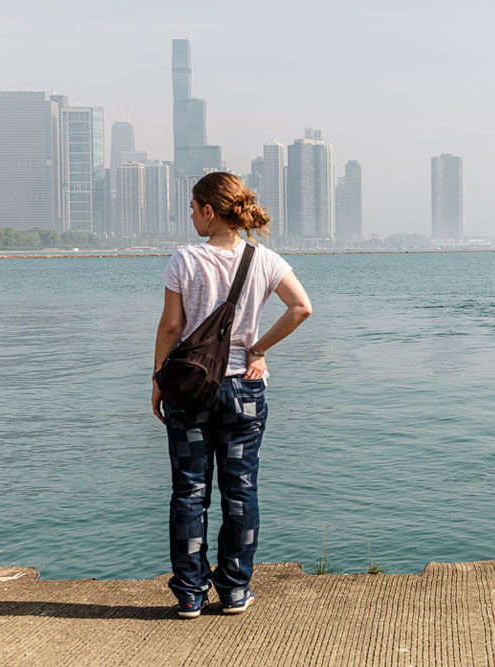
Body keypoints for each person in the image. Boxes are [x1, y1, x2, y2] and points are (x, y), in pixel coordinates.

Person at [152, 172, 312, 618]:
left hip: (190, 388)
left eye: (192, 207)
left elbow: (170, 326)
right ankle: (236, 590)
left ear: (208, 210)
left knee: (189, 491)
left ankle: (189, 593)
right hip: (245, 386)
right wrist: (257, 348)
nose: (189, 216)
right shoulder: (265, 260)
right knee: (240, 490)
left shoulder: (185, 259)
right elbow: (302, 308)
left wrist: (156, 378)